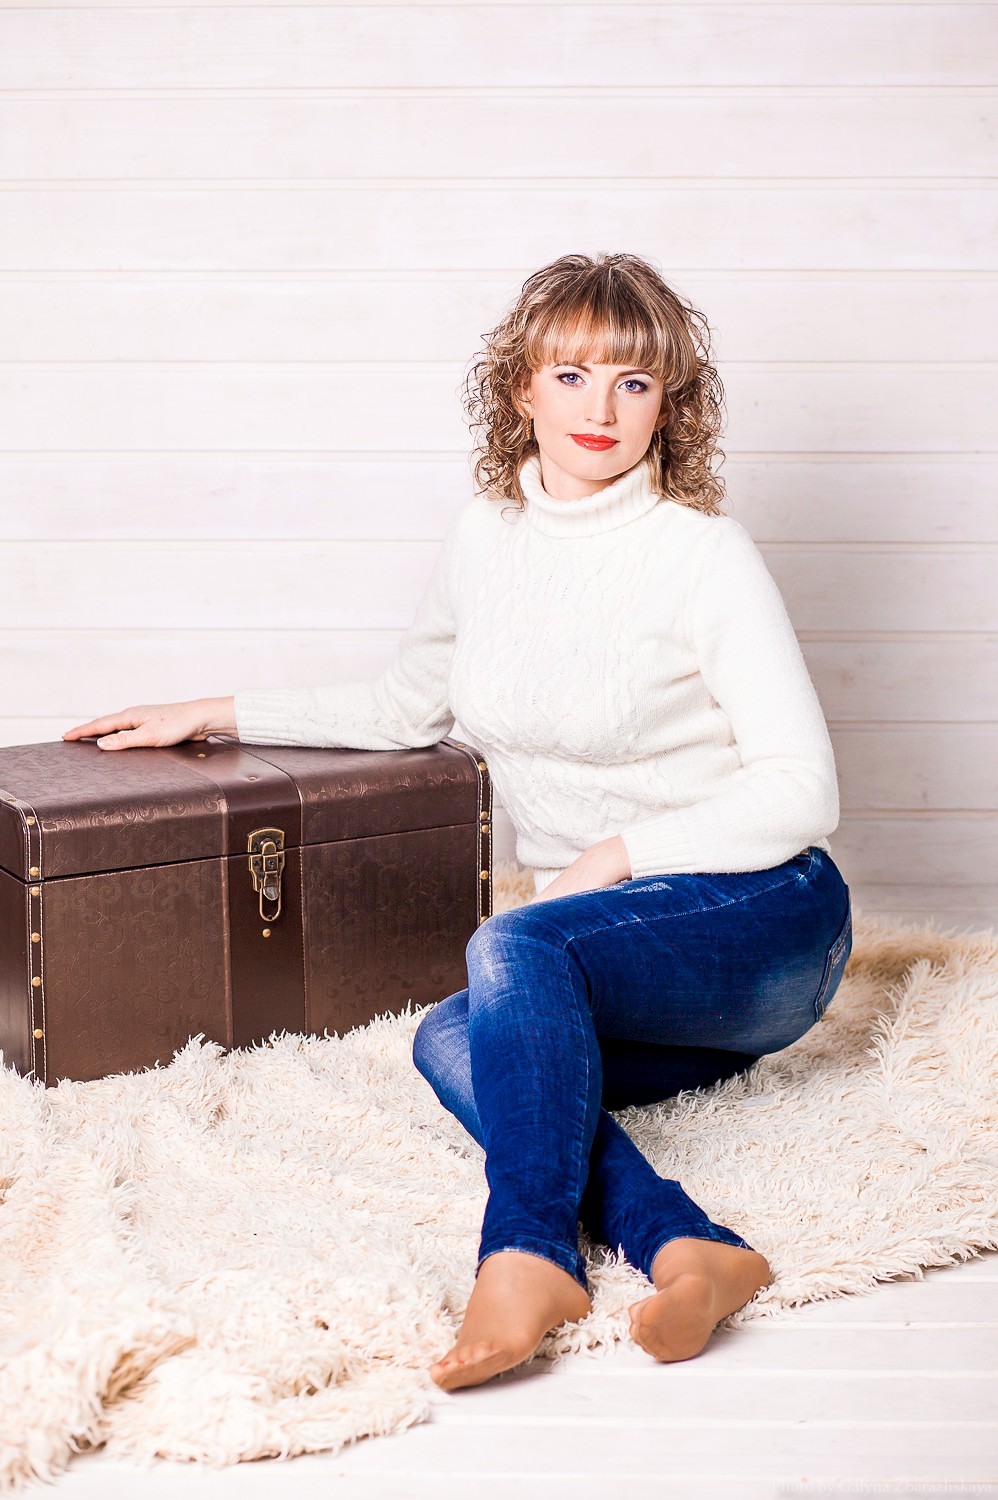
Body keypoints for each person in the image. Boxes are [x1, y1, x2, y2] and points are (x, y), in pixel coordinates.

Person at [63, 251, 853, 1395]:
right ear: (520, 389)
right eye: (570, 375)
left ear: (667, 406)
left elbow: (800, 790)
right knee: (448, 1037)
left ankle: (525, 1255)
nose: (598, 407)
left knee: (510, 944)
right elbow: (405, 707)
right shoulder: (486, 538)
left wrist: (615, 856)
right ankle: (688, 1247)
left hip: (763, 921)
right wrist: (213, 713)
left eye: (632, 383)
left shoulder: (700, 556)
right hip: (604, 949)